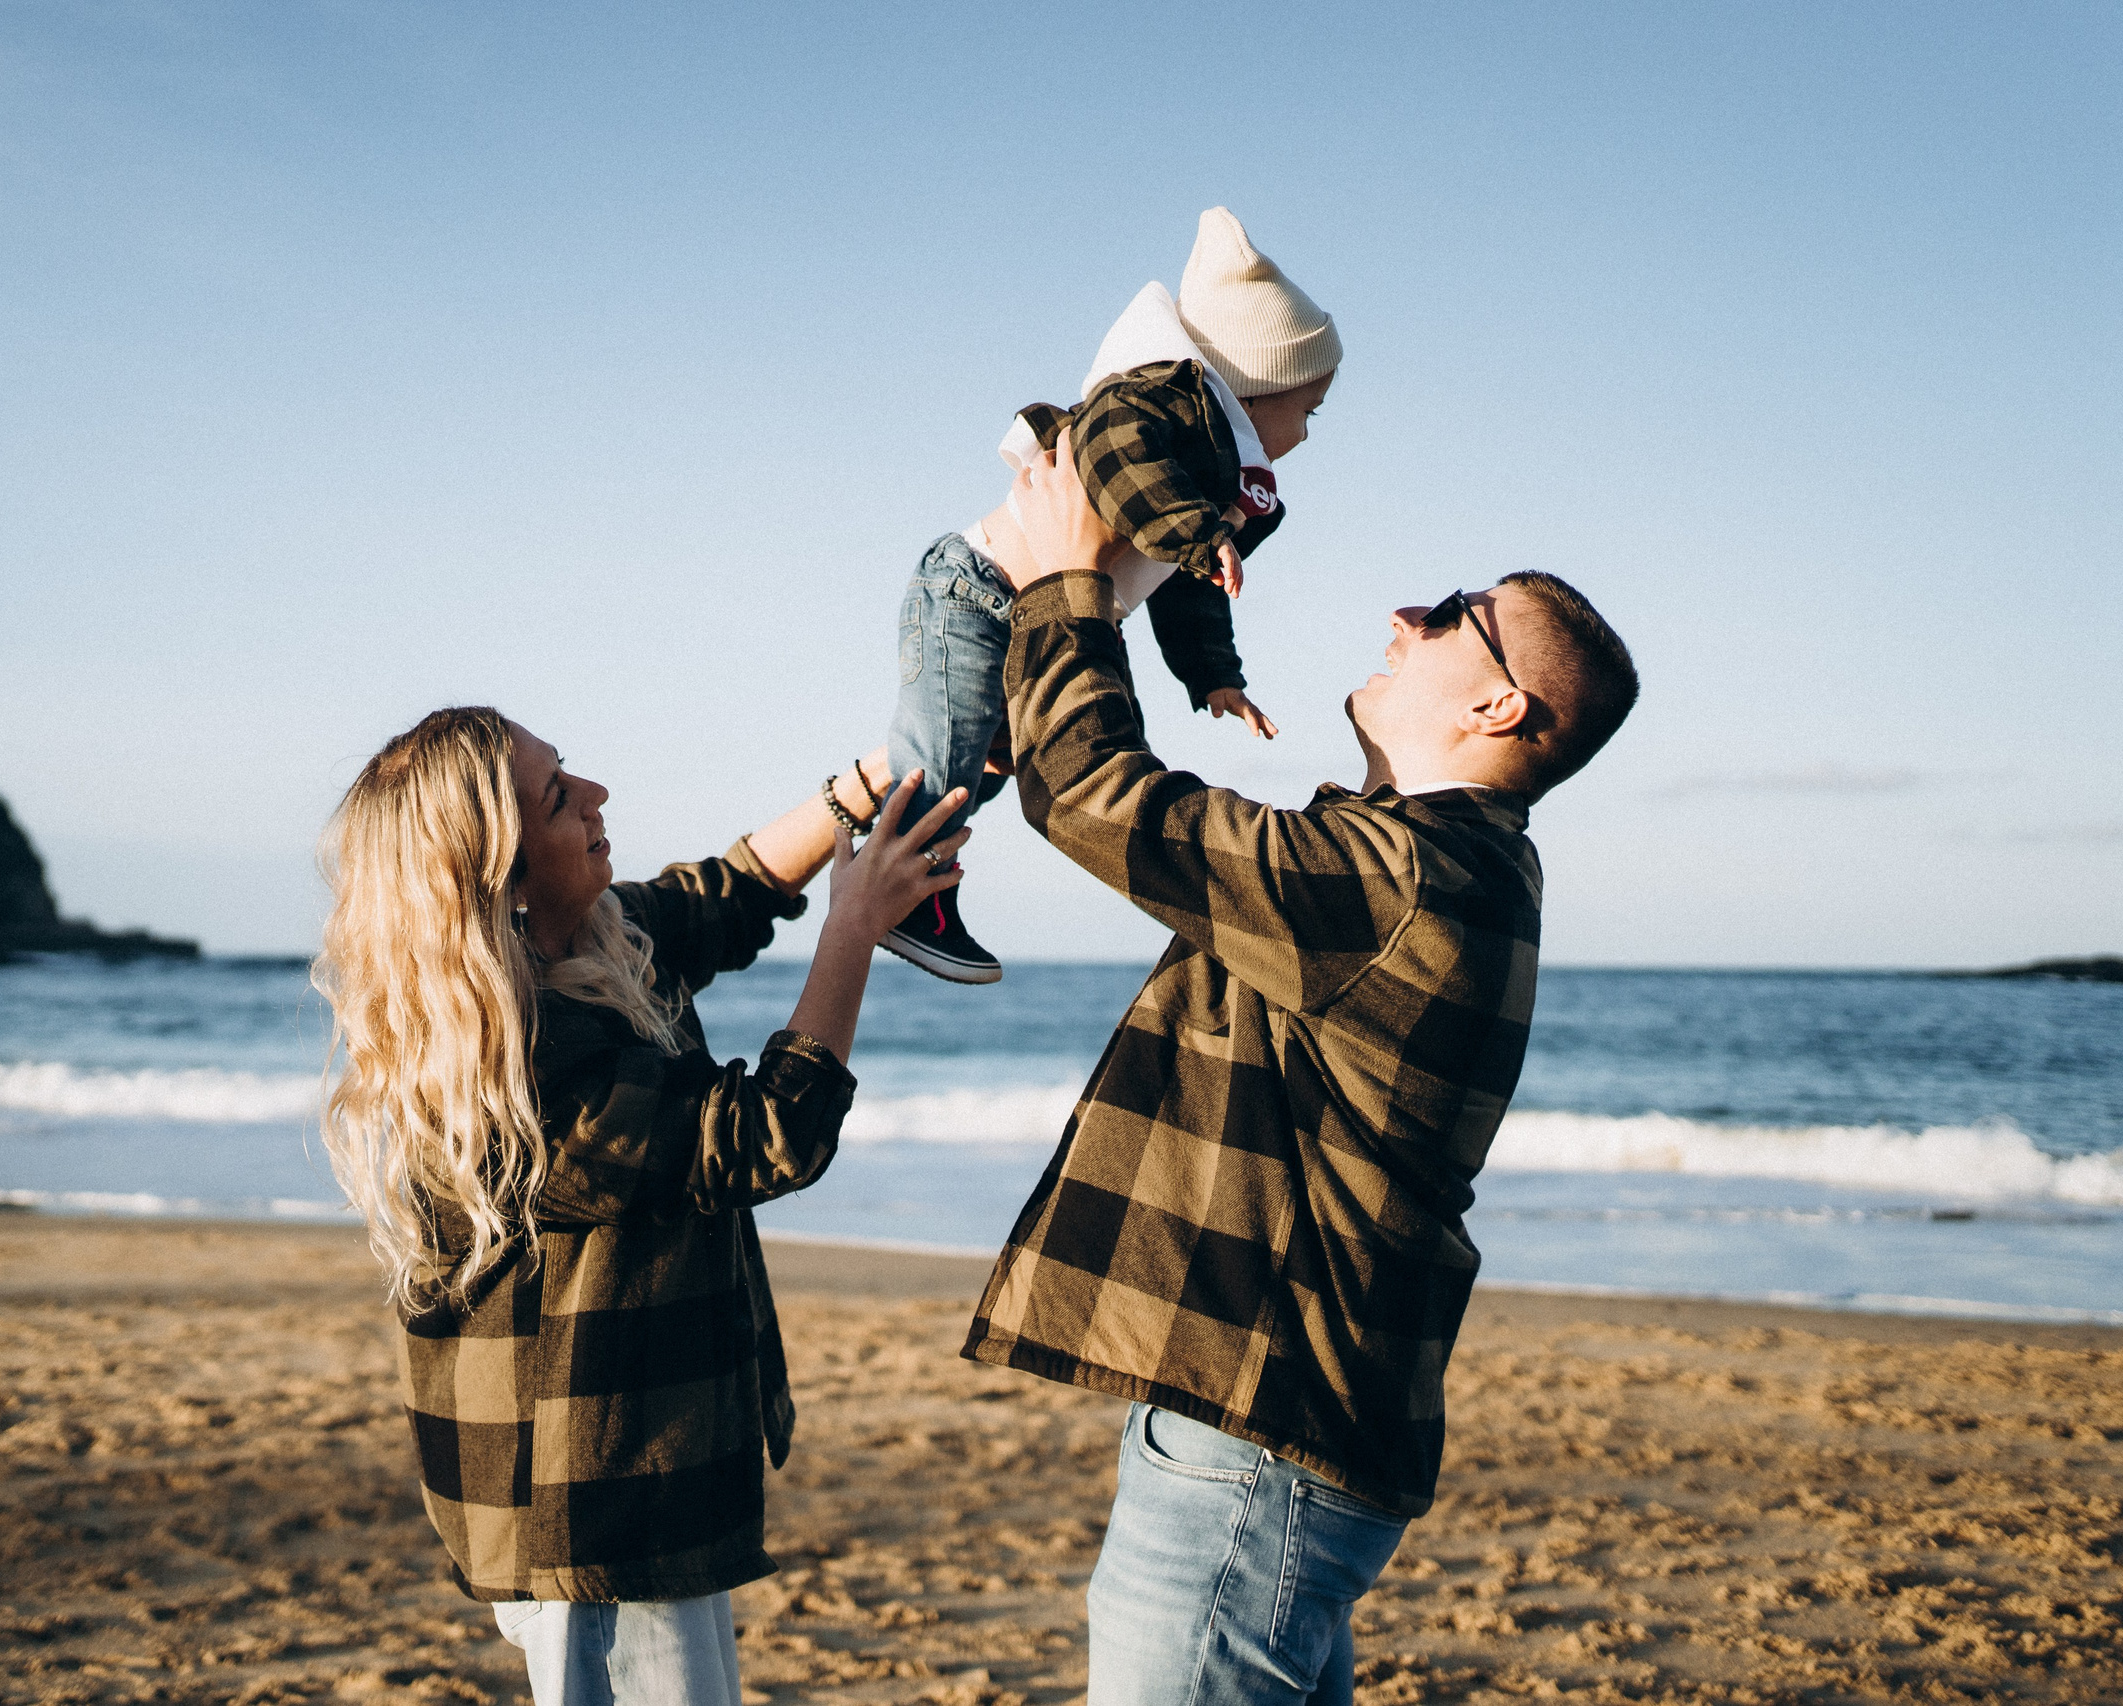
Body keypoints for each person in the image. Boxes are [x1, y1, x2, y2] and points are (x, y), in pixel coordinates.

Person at [963, 440, 1640, 1705]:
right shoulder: (1437, 862)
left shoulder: (1407, 879)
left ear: (1498, 709)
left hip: (1260, 1436)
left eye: (1452, 618)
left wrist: (1067, 582)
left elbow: (1093, 795)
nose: (1405, 616)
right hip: (1284, 1429)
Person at [311, 709, 963, 1706]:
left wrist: (888, 772)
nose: (598, 796)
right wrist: (852, 925)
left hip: (636, 1460)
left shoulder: (593, 940)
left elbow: (728, 895)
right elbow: (765, 1132)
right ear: (502, 871)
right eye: (558, 796)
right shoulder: (512, 1072)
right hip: (586, 1504)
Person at [877, 206, 1342, 985]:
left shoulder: (1221, 480)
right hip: (973, 591)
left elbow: (1187, 588)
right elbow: (1106, 451)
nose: (1311, 431)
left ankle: (912, 883)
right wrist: (1199, 531)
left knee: (1071, 753)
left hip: (1047, 614)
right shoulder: (1150, 402)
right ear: (1259, 391)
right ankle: (901, 897)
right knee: (944, 766)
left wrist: (1213, 673)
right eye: (1311, 409)